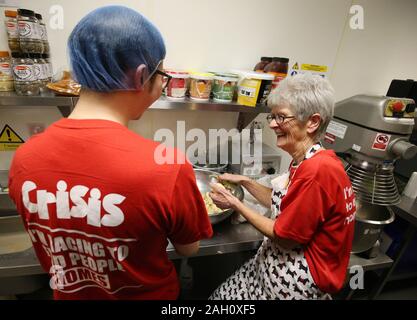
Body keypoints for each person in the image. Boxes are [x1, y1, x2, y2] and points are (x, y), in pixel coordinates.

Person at [8, 6, 213, 300]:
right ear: (141, 76)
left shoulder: (24, 158)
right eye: (161, 75)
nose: (160, 84)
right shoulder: (167, 166)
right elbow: (188, 248)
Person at [209, 73, 356, 300]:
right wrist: (247, 183)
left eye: (281, 117)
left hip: (292, 282)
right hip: (268, 268)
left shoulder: (318, 172)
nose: (272, 124)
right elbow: (286, 204)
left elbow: (286, 236)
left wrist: (235, 203)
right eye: (272, 116)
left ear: (313, 122)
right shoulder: (307, 160)